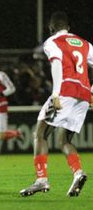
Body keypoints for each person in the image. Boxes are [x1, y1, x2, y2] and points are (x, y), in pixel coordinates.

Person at [20, 12, 93, 197]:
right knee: (64, 140)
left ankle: (41, 180)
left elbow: (56, 64)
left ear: (51, 28)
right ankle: (78, 173)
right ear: (69, 27)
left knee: (39, 134)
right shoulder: (85, 44)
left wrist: (55, 94)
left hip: (65, 92)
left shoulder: (52, 42)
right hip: (83, 96)